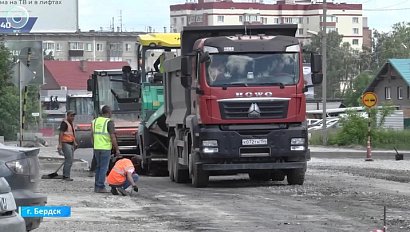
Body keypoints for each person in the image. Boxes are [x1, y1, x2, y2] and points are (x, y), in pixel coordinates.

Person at [91, 105, 120, 193]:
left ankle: (97, 187)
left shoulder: (95, 121)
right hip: (105, 148)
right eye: (111, 112)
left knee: (98, 167)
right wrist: (117, 149)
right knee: (104, 168)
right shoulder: (109, 122)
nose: (111, 113)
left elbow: (91, 135)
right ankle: (100, 186)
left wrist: (94, 145)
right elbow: (112, 136)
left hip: (97, 148)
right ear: (108, 112)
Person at [58, 110, 78, 181]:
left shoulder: (71, 123)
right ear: (67, 116)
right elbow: (61, 133)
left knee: (70, 160)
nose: (73, 117)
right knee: (68, 160)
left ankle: (66, 175)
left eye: (73, 116)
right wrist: (60, 144)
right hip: (65, 143)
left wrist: (75, 142)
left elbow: (72, 134)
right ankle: (66, 176)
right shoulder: (64, 123)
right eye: (71, 116)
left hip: (71, 143)